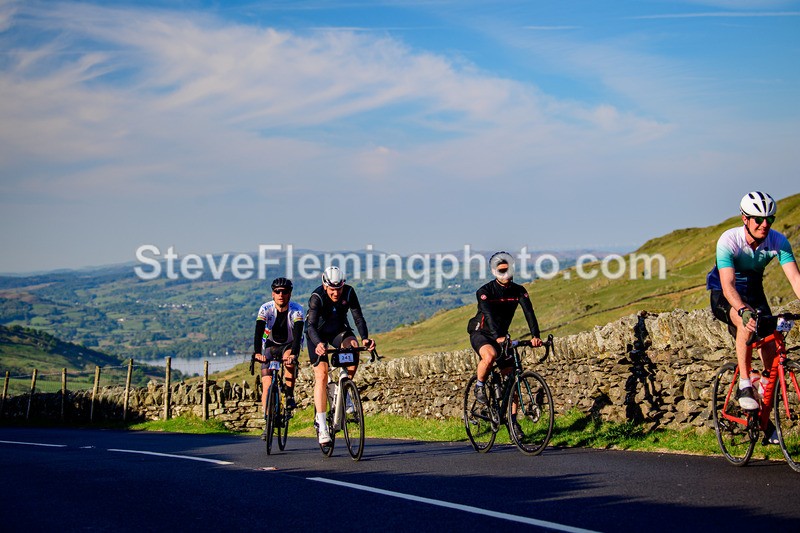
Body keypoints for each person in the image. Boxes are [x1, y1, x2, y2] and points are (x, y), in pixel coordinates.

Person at [707, 192, 800, 433]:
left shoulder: (778, 241)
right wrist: (741, 310)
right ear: (744, 219)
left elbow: (795, 278)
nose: (765, 224)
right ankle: (745, 383)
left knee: (770, 339)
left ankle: (764, 411)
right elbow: (728, 285)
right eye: (758, 219)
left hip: (754, 291)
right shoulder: (729, 240)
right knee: (744, 322)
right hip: (725, 293)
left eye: (770, 219)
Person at [467, 252, 543, 434]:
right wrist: (498, 336)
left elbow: (529, 312)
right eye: (501, 270)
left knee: (512, 378)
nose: (505, 273)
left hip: (502, 336)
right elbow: (490, 316)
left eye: (508, 269)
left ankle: (512, 422)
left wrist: (535, 336)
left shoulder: (519, 290)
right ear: (495, 272)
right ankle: (479, 387)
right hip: (482, 333)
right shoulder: (485, 292)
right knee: (490, 355)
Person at [305, 266, 375, 445]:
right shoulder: (317, 297)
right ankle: (321, 425)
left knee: (353, 347)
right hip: (317, 335)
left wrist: (365, 338)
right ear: (325, 285)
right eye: (332, 289)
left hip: (338, 330)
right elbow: (310, 326)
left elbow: (358, 318)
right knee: (322, 375)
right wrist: (319, 344)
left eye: (339, 289)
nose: (336, 293)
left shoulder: (349, 292)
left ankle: (342, 390)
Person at [253, 277, 304, 438]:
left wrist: (294, 354)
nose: (281, 294)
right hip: (270, 345)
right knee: (267, 384)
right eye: (277, 292)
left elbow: (297, 336)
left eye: (285, 292)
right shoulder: (265, 309)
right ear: (273, 294)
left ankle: (289, 394)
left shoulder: (297, 310)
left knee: (289, 361)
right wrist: (257, 353)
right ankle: (268, 421)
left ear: (290, 294)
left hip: (289, 344)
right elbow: (258, 331)